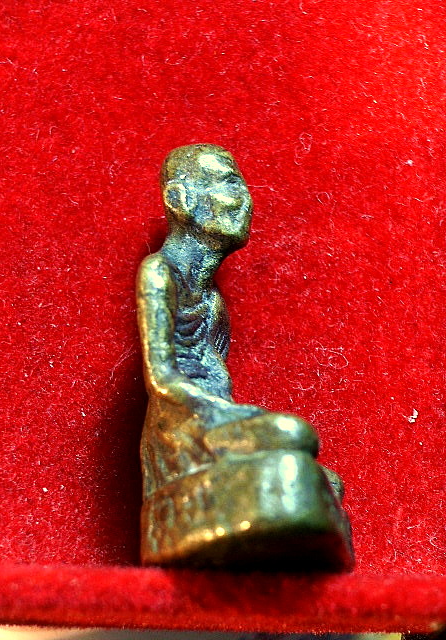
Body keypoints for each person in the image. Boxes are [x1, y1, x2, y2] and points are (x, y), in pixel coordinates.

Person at [137, 144, 352, 569]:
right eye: (229, 184)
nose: (246, 201)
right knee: (291, 434)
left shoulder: (213, 301)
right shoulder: (160, 273)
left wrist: (234, 416)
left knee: (330, 483)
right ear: (180, 199)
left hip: (218, 424)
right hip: (182, 425)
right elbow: (160, 379)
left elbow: (218, 375)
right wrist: (226, 414)